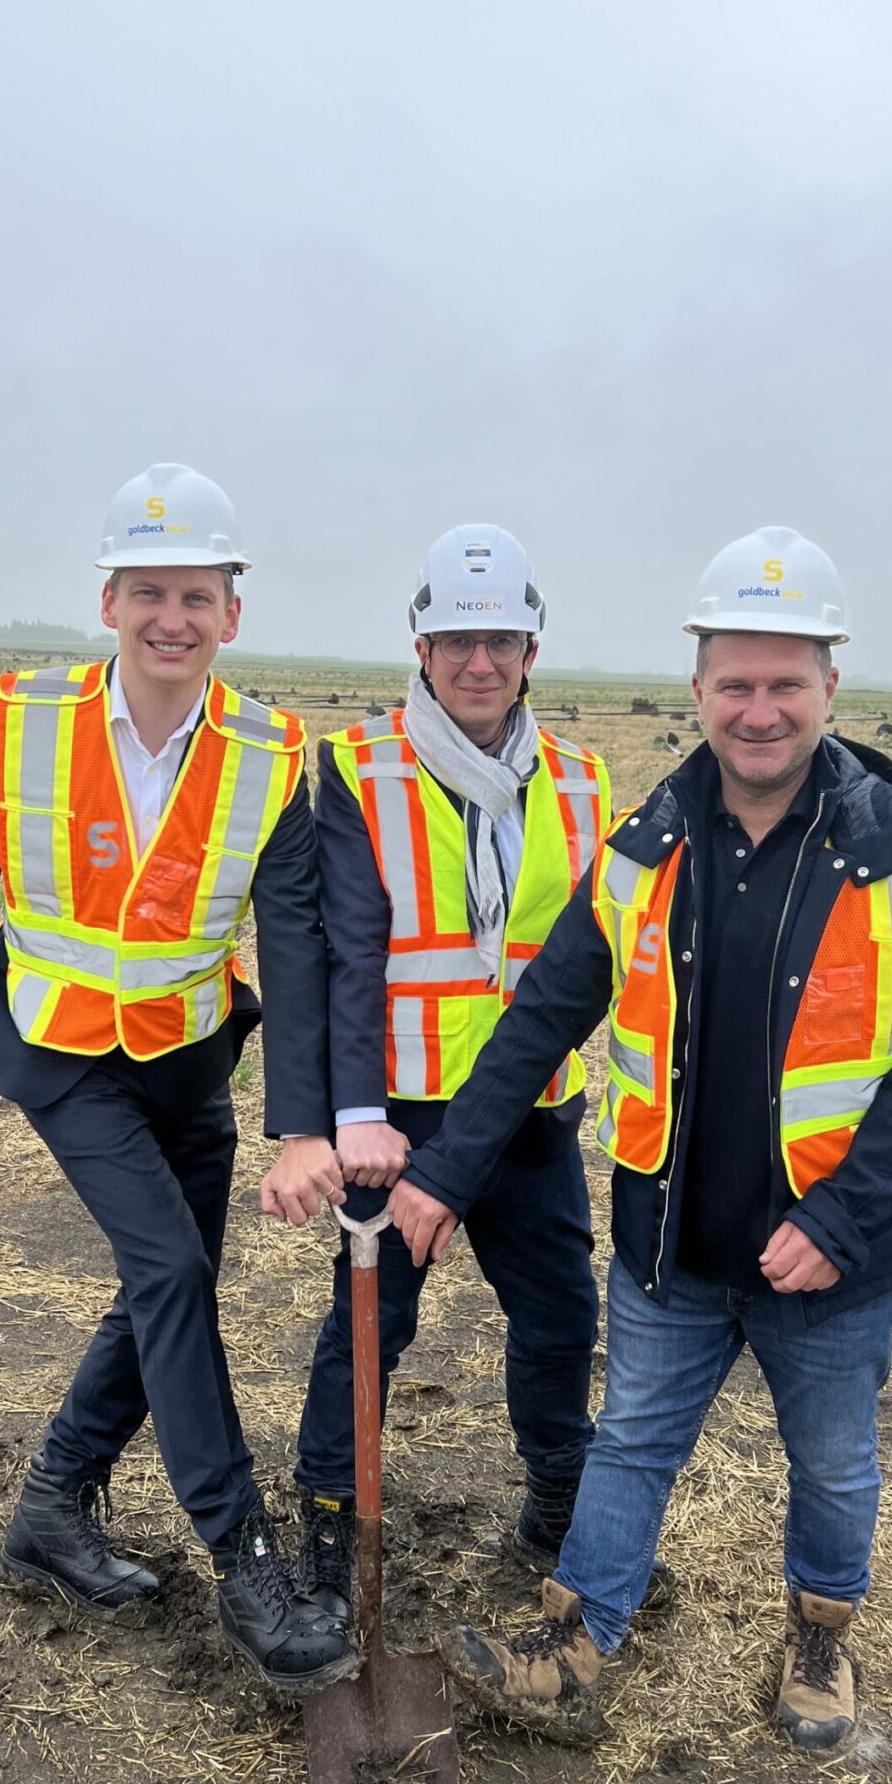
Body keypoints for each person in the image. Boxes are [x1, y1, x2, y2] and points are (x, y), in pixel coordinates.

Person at [390, 528, 892, 1750]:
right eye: (735, 682)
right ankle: (574, 1637)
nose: (759, 710)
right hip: (670, 1244)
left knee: (830, 1463)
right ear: (698, 689)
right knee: (629, 1443)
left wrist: (839, 1223)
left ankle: (820, 1637)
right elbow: (535, 1024)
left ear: (830, 684)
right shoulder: (640, 851)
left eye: (785, 683)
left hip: (831, 1261)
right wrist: (443, 1172)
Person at [0, 461, 357, 1692]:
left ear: (232, 612)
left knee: (176, 1275)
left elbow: (300, 941)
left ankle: (54, 1501)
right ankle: (245, 1554)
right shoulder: (21, 717)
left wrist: (301, 1124)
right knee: (166, 1268)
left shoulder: (272, 749)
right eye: (150, 590)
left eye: (197, 594)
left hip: (188, 1050)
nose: (173, 617)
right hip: (56, 1049)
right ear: (109, 599)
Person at [276, 526, 611, 1634]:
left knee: (560, 1318)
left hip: (527, 1112)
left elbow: (586, 960)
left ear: (530, 648)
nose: (480, 661)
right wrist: (356, 1114)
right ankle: (331, 1528)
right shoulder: (357, 766)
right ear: (420, 646)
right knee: (368, 1329)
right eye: (458, 639)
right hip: (399, 1119)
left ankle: (555, 1510)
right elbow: (348, 953)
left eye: (501, 640)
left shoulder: (578, 780)